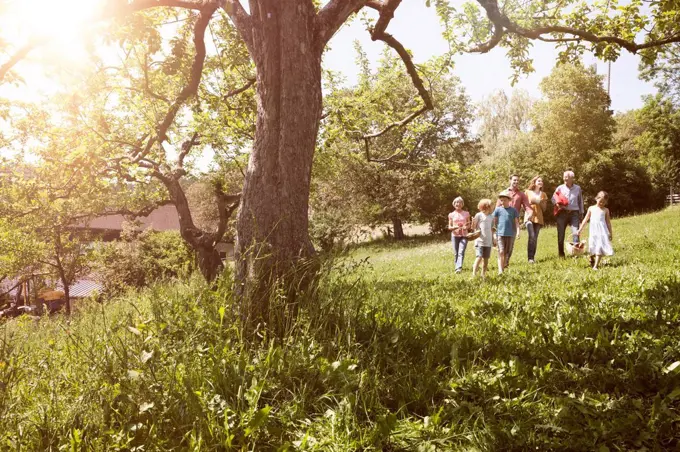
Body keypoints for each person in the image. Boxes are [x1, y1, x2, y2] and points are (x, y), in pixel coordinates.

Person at [496, 175, 533, 266]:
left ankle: (506, 261)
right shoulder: (503, 193)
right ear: (510, 181)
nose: (516, 182)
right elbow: (497, 208)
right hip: (502, 222)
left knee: (510, 244)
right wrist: (494, 223)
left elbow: (527, 207)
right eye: (514, 180)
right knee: (501, 244)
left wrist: (530, 214)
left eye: (517, 180)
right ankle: (502, 263)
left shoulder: (521, 194)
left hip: (513, 222)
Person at [552, 170, 584, 258]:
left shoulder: (577, 188)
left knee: (576, 233)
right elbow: (553, 198)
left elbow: (580, 201)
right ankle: (561, 254)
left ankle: (576, 254)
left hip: (574, 213)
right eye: (564, 176)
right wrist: (558, 204)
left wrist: (581, 213)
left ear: (572, 178)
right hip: (562, 213)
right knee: (561, 234)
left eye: (567, 177)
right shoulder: (559, 188)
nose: (564, 178)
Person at [578, 191, 614, 270]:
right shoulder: (591, 208)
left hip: (602, 232)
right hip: (593, 232)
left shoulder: (606, 210)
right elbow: (585, 219)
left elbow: (608, 223)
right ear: (596, 199)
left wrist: (610, 233)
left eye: (604, 202)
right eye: (600, 201)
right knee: (592, 247)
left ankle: (595, 266)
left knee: (599, 247)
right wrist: (580, 229)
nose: (601, 203)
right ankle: (591, 258)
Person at [492, 191, 520, 274]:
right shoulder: (498, 210)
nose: (502, 202)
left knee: (507, 253)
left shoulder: (513, 210)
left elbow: (516, 222)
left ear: (509, 200)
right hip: (500, 233)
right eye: (501, 200)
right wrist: (494, 233)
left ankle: (504, 265)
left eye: (504, 200)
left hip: (510, 234)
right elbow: (494, 222)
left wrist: (518, 232)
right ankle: (500, 270)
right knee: (501, 251)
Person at [524, 176, 548, 263]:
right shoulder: (527, 192)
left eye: (541, 181)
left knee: (535, 238)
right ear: (534, 182)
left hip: (539, 217)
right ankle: (530, 258)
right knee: (532, 236)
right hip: (529, 216)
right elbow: (524, 205)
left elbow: (544, 209)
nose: (540, 182)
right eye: (539, 181)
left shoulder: (543, 194)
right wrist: (532, 202)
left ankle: (532, 257)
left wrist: (540, 202)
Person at [471, 199, 494, 278]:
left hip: (488, 241)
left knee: (486, 259)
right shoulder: (479, 215)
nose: (493, 208)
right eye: (492, 206)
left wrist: (493, 239)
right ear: (487, 207)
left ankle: (483, 274)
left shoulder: (491, 217)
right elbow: (473, 227)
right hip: (480, 241)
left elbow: (492, 228)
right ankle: (474, 273)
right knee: (479, 257)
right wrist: (473, 223)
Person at [448, 196, 471, 274]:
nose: (458, 204)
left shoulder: (466, 213)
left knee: (461, 251)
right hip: (455, 236)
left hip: (464, 235)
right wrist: (454, 227)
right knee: (456, 253)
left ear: (462, 204)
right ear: (454, 204)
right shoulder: (451, 215)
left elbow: (469, 225)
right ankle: (456, 266)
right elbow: (449, 227)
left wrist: (466, 227)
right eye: (456, 202)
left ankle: (458, 268)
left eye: (460, 202)